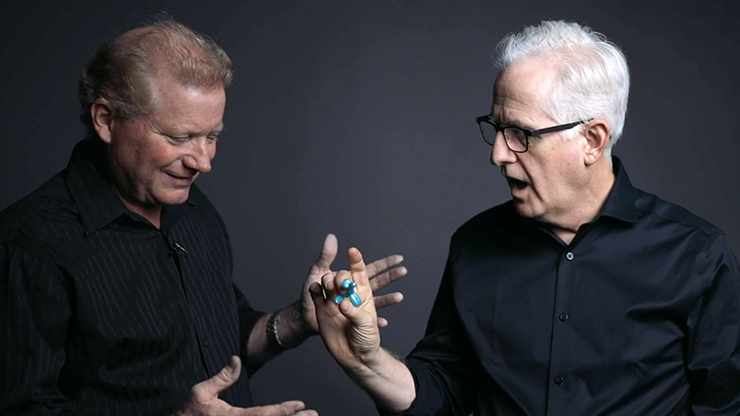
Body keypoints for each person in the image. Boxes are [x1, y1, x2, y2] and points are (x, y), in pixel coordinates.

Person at [309, 20, 740, 415]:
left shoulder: (697, 256)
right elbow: (443, 393)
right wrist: (366, 362)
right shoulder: (475, 244)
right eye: (496, 129)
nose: (498, 154)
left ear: (592, 140)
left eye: (520, 134)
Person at [0, 18, 408, 416]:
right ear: (106, 120)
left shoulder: (195, 210)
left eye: (212, 136)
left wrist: (297, 321)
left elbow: (219, 342)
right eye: (180, 137)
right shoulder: (31, 245)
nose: (203, 162)